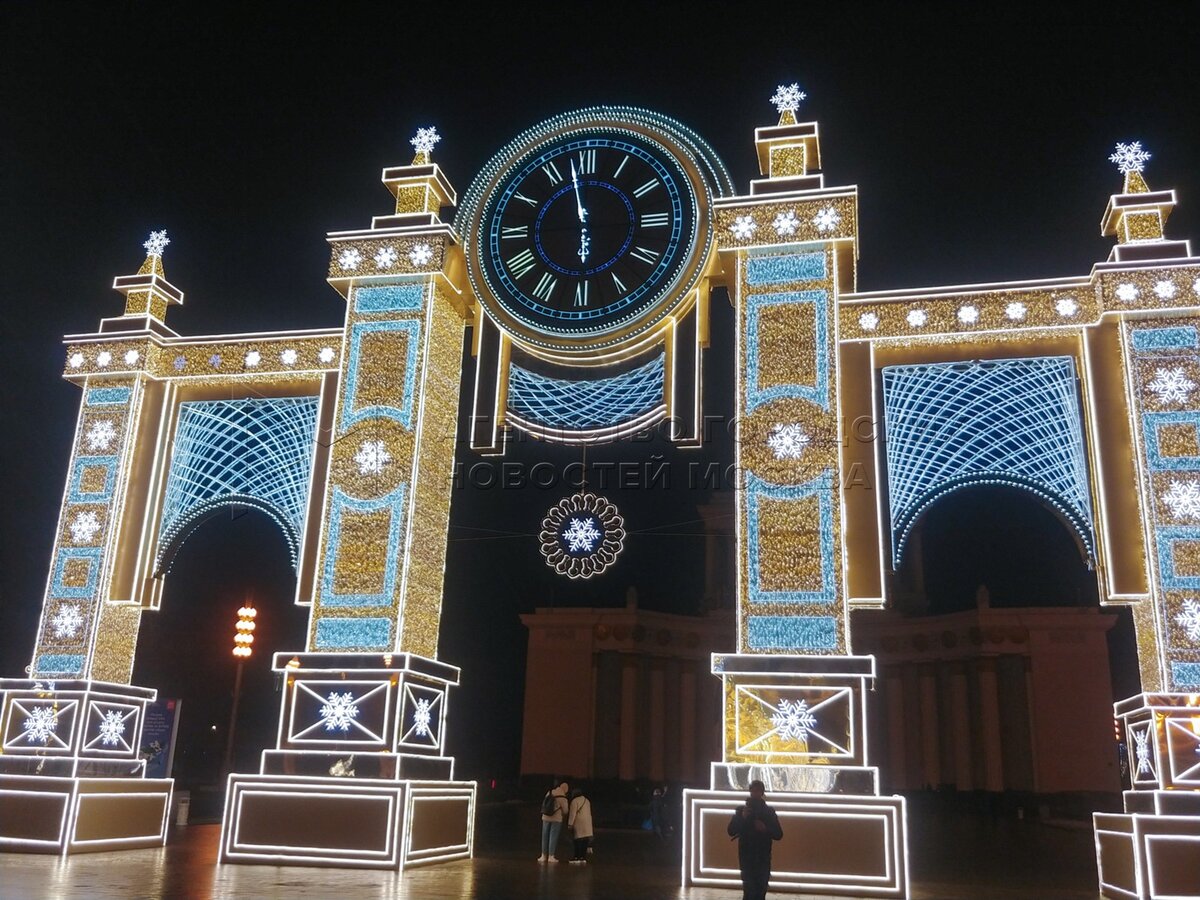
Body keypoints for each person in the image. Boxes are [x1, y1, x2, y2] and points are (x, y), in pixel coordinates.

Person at [726, 780, 783, 900]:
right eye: (753, 790)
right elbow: (731, 831)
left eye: (758, 791)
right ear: (750, 791)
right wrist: (742, 817)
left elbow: (778, 834)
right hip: (746, 856)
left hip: (763, 856)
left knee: (761, 890)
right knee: (749, 890)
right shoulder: (741, 810)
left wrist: (765, 828)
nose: (755, 793)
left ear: (762, 792)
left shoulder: (769, 812)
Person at [538, 780, 569, 863]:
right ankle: (551, 856)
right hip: (556, 819)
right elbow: (565, 811)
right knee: (553, 837)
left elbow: (544, 803)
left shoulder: (550, 792)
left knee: (544, 836)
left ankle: (543, 855)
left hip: (546, 817)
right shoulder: (563, 797)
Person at [566, 786, 593, 863]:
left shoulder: (574, 801)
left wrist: (570, 824)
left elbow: (572, 814)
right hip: (587, 823)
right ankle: (583, 858)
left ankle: (576, 857)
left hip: (579, 823)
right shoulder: (586, 800)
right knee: (585, 841)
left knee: (577, 841)